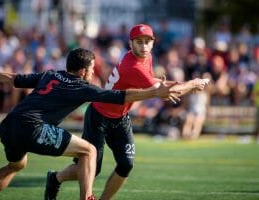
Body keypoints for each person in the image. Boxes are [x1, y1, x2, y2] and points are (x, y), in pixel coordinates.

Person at [0, 48, 191, 200]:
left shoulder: (50, 74)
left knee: (16, 165)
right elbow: (121, 96)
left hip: (9, 123)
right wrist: (155, 92)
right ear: (84, 70)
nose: (94, 72)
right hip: (32, 126)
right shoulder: (83, 87)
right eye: (92, 68)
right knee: (89, 151)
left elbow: (15, 79)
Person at [53, 24, 210, 200]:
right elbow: (162, 92)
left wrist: (179, 85)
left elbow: (156, 84)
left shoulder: (146, 57)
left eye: (147, 42)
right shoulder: (132, 66)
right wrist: (193, 84)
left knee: (126, 165)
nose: (143, 46)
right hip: (99, 115)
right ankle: (56, 178)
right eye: (139, 42)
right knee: (93, 169)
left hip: (120, 117)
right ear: (130, 43)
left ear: (152, 43)